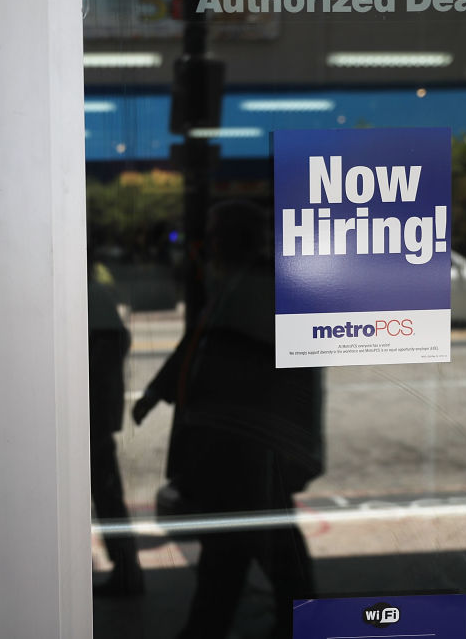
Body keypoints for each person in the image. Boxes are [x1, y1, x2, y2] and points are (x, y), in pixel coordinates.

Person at [132, 200, 323, 638]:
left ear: (236, 238)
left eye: (216, 234)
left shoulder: (261, 288)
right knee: (240, 548)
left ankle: (234, 627)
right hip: (240, 449)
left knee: (254, 548)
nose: (208, 243)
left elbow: (274, 376)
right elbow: (197, 344)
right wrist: (158, 392)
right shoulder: (238, 283)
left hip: (249, 449)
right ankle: (228, 626)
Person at [88, 266, 144, 596]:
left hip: (91, 414)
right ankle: (126, 569)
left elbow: (116, 341)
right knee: (105, 492)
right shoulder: (92, 293)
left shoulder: (91, 294)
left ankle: (126, 570)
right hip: (93, 412)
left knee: (106, 492)